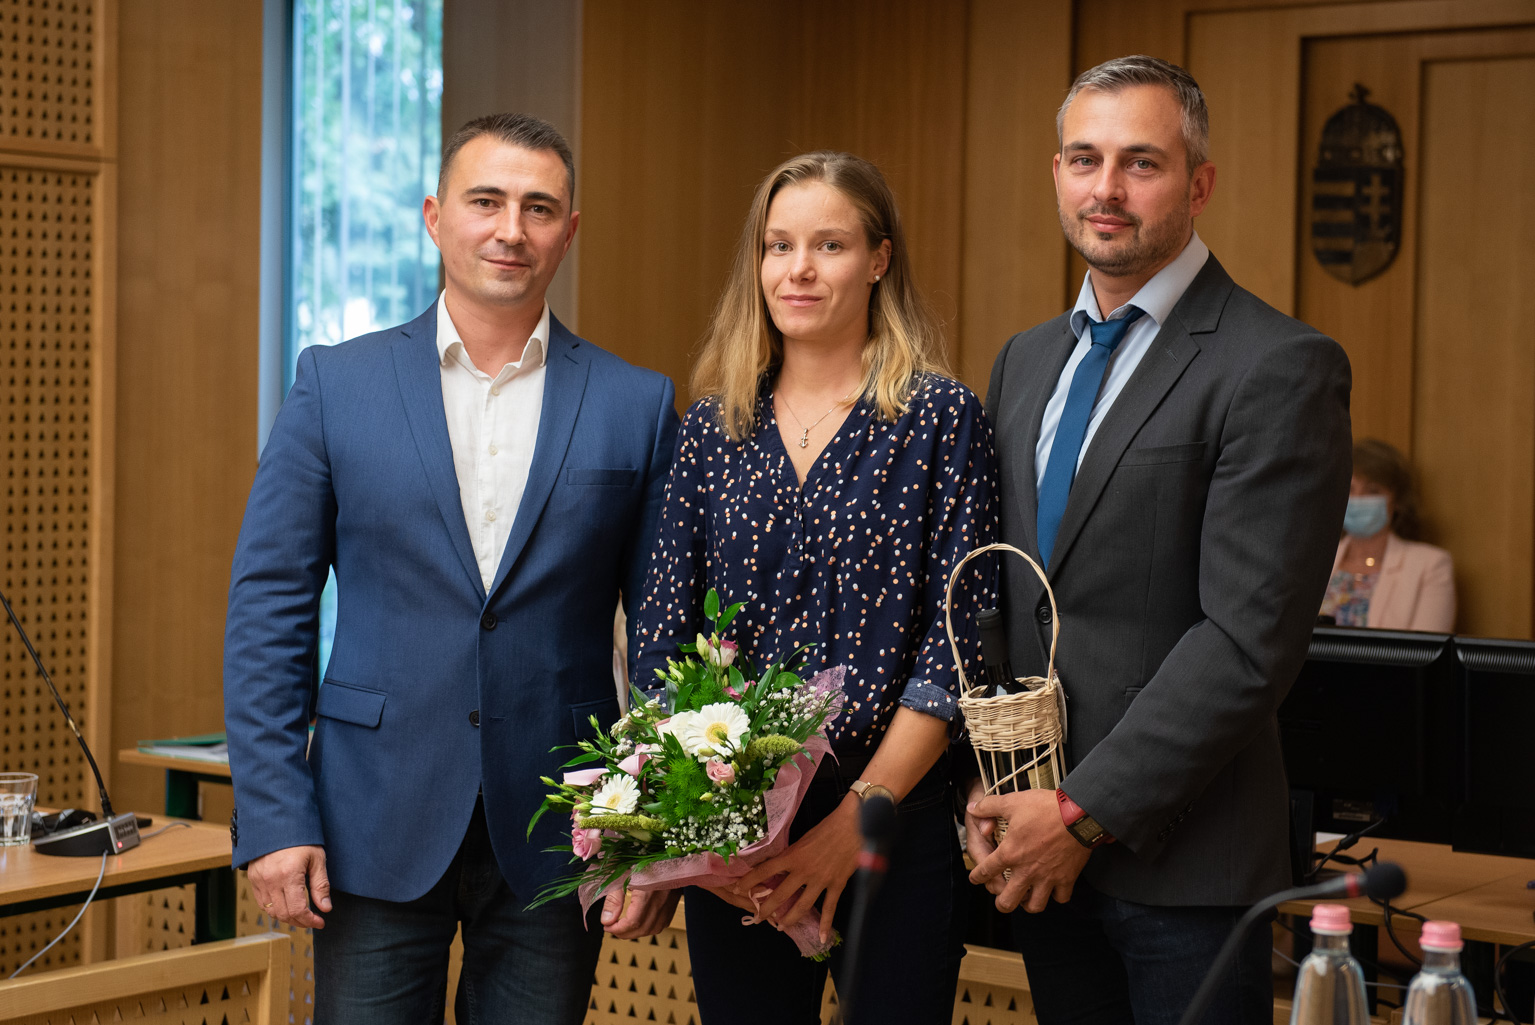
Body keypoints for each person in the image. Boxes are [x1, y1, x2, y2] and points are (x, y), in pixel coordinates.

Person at [222, 113, 679, 1024]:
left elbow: (666, 633)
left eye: (538, 208)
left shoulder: (636, 401)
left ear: (568, 232)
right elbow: (270, 606)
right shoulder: (335, 384)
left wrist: (657, 832)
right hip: (370, 817)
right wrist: (274, 814)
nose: (511, 229)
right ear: (435, 217)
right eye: (486, 201)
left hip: (565, 827)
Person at [968, 56, 1352, 1025]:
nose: (1105, 188)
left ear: (1198, 183)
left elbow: (1246, 641)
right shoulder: (1024, 360)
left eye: (1139, 162)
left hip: (1183, 858)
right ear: (1056, 172)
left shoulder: (1276, 364)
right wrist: (998, 789)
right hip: (1033, 843)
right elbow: (1010, 597)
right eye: (1083, 158)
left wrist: (1080, 811)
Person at [633, 151, 996, 1024]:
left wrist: (856, 818)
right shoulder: (712, 428)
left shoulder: (940, 419)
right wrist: (702, 836)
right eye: (778, 245)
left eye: (828, 245)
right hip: (736, 833)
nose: (797, 269)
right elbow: (660, 640)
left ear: (877, 259)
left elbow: (957, 649)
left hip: (889, 821)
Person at [1321, 438, 1455, 631]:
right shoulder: (1315, 559)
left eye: (1372, 490)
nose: (1357, 499)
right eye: (1349, 489)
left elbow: (1426, 647)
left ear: (1398, 500)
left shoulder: (1431, 566)